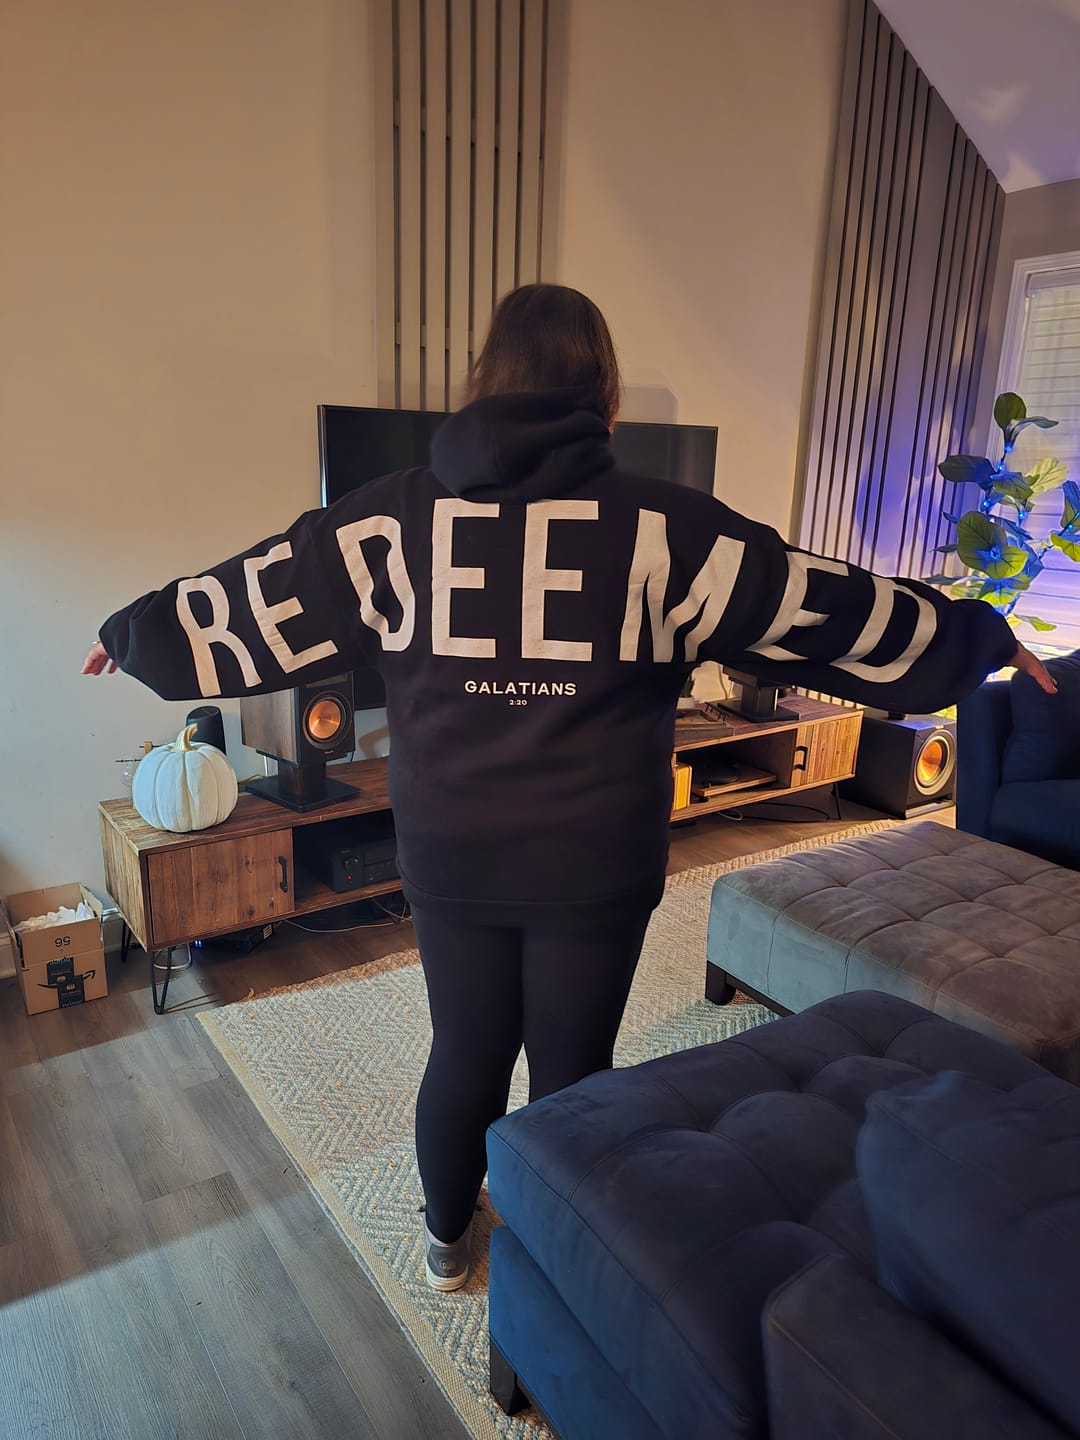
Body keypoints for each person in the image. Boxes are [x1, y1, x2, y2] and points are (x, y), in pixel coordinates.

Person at [83, 283, 1055, 1291]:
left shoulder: (390, 523)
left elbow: (258, 598)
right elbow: (818, 604)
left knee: (465, 1049)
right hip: (595, 858)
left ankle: (445, 1243)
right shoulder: (670, 531)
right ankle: (553, 1258)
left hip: (454, 852)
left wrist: (135, 634)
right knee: (573, 1069)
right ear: (607, 399)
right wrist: (976, 638)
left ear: (482, 383)